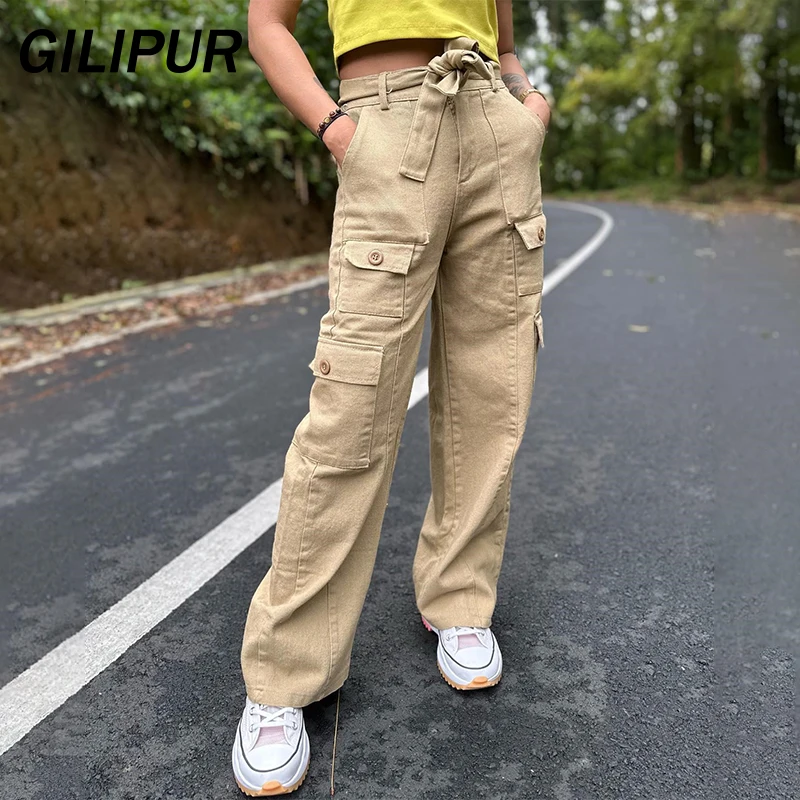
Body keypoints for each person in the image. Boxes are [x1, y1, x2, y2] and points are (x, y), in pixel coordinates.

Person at [233, 0, 551, 794]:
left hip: (496, 129)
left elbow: (505, 39)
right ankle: (285, 673)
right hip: (385, 125)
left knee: (493, 392)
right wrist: (338, 131)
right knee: (353, 404)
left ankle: (460, 599)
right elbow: (267, 24)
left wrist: (526, 107)